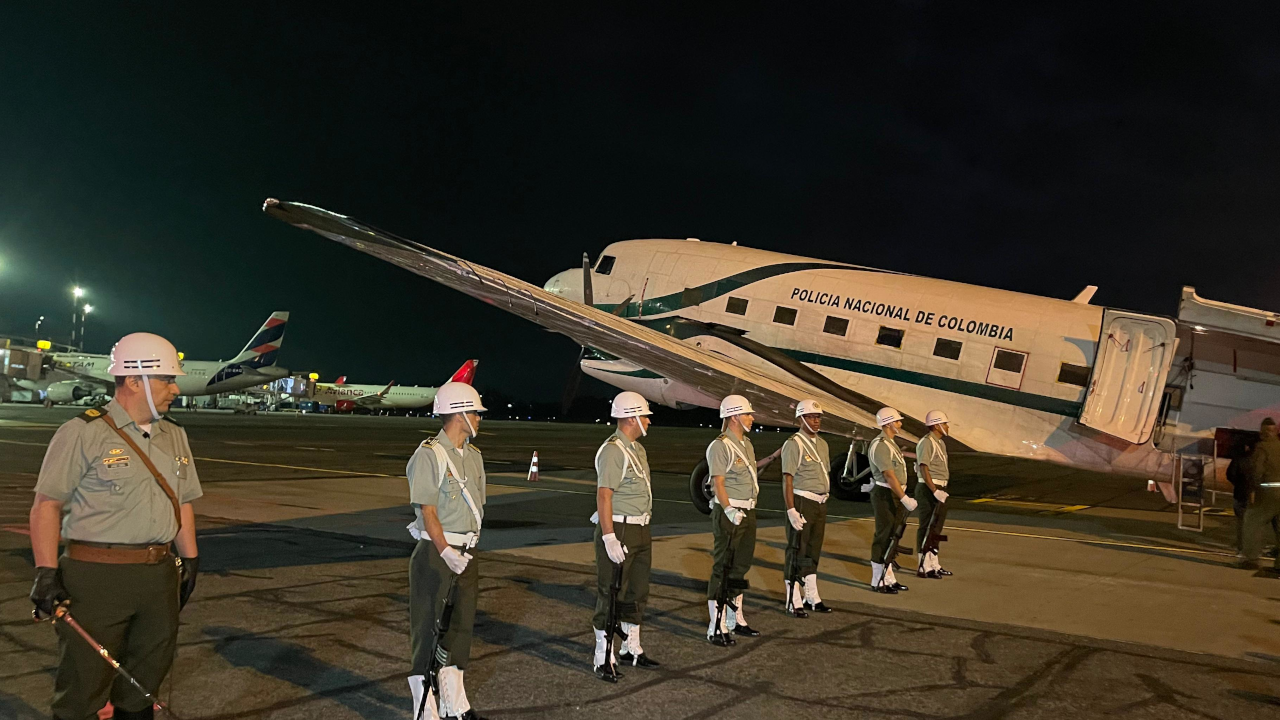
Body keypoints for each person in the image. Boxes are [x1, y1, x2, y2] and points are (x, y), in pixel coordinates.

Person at [28, 332, 202, 720]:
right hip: (97, 577)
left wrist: (189, 559)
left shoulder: (175, 435)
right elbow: (46, 505)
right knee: (82, 688)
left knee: (143, 687)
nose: (175, 389)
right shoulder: (83, 431)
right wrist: (45, 571)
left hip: (158, 576)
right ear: (133, 379)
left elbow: (183, 502)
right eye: (166, 379)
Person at [406, 382, 488, 720]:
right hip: (436, 555)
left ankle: (455, 703)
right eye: (475, 413)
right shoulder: (429, 454)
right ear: (459, 415)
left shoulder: (473, 455)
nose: (479, 419)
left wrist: (462, 551)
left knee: (460, 629)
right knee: (427, 630)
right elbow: (428, 511)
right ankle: (424, 708)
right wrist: (445, 551)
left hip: (466, 553)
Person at [591, 391, 658, 681]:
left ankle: (632, 647)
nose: (648, 422)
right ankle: (603, 656)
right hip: (620, 528)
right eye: (644, 416)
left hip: (640, 528)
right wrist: (608, 536)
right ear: (631, 417)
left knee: (637, 591)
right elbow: (604, 495)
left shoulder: (636, 449)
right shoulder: (614, 450)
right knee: (611, 592)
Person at [705, 395, 780, 645]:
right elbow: (718, 483)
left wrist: (770, 459)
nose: (752, 417)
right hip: (730, 511)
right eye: (748, 414)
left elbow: (747, 469)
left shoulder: (746, 443)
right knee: (723, 566)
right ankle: (716, 626)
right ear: (735, 416)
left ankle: (734, 619)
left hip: (747, 510)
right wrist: (728, 510)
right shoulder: (720, 445)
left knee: (740, 566)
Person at [781, 399, 832, 617]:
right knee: (797, 549)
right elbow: (788, 479)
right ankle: (793, 599)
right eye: (811, 417)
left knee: (812, 550)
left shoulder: (822, 443)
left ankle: (811, 596)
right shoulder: (794, 443)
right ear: (801, 419)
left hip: (820, 503)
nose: (816, 421)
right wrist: (791, 509)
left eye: (818, 417)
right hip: (803, 501)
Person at [868, 407, 916, 594]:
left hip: (893, 494)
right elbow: (888, 475)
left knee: (892, 536)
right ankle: (877, 580)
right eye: (897, 421)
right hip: (887, 494)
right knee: (883, 535)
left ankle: (888, 577)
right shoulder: (881, 444)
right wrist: (904, 498)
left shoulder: (890, 443)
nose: (900, 424)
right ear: (888, 423)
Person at [914, 410, 953, 578]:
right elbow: (924, 467)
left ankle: (934, 563)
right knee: (926, 525)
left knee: (936, 527)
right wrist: (934, 490)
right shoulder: (927, 442)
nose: (947, 427)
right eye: (944, 423)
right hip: (929, 488)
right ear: (936, 425)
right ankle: (923, 564)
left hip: (940, 488)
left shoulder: (940, 443)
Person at [1241, 417, 1280, 573]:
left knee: (1253, 521)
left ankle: (1251, 559)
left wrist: (1252, 490)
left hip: (1269, 490)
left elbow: (1256, 472)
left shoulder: (1262, 448)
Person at [1226, 436, 1257, 554]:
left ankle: (1241, 547)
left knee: (1241, 522)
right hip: (1257, 496)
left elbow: (1230, 474)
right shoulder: (1261, 460)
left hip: (1240, 494)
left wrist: (1238, 484)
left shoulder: (1239, 459)